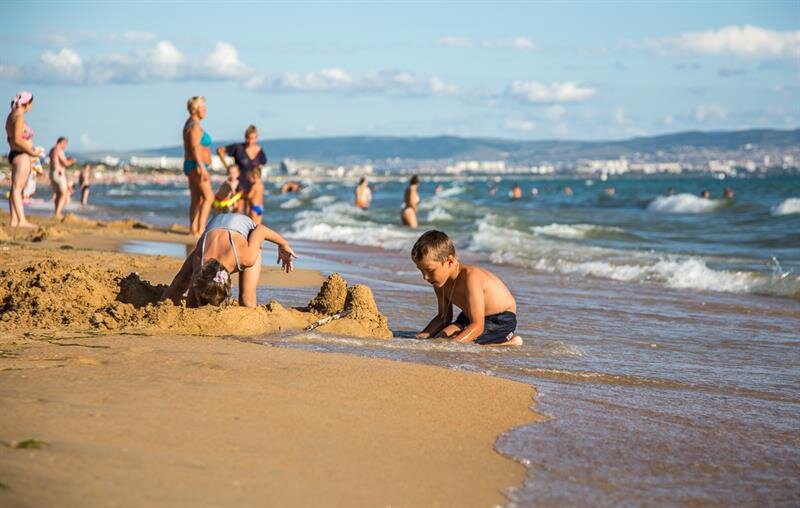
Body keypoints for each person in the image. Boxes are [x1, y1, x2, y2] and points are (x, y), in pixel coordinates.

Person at [411, 230, 522, 346]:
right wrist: (419, 338)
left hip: (500, 320)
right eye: (421, 271)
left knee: (458, 343)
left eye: (429, 270)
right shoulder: (439, 283)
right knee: (440, 338)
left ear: (449, 261)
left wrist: (452, 345)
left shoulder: (471, 278)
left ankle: (509, 342)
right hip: (468, 318)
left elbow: (478, 326)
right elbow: (443, 318)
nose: (425, 277)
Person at [162, 213, 296, 308]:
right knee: (181, 281)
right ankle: (163, 306)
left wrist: (283, 244)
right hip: (214, 229)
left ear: (230, 286)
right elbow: (192, 293)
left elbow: (260, 230)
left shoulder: (245, 257)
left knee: (246, 297)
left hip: (245, 229)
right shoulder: (200, 261)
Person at [5, 90, 42, 228]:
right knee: (17, 188)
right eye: (31, 104)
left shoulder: (11, 116)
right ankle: (21, 220)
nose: (31, 107)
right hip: (21, 155)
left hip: (14, 153)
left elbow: (10, 138)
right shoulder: (19, 116)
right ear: (27, 103)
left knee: (15, 187)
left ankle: (14, 220)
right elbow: (17, 139)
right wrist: (32, 152)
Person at [216, 124, 267, 213]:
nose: (250, 141)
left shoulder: (260, 152)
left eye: (253, 138)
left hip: (252, 185)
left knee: (251, 214)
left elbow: (260, 169)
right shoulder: (238, 148)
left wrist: (258, 184)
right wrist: (228, 168)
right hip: (239, 184)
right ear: (245, 137)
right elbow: (220, 150)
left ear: (257, 138)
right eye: (248, 138)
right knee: (238, 212)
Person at [183, 96, 214, 237]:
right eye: (203, 107)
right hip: (196, 165)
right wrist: (202, 167)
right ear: (195, 109)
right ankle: (200, 231)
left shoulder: (190, 123)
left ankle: (193, 230)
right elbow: (194, 148)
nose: (205, 110)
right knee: (209, 197)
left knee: (196, 199)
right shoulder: (194, 126)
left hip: (192, 164)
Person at [48, 137, 76, 220]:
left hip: (52, 173)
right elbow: (65, 163)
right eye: (65, 144)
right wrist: (72, 161)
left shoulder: (52, 150)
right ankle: (58, 213)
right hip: (59, 173)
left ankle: (56, 211)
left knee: (58, 193)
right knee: (64, 193)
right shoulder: (59, 150)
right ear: (62, 142)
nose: (65, 146)